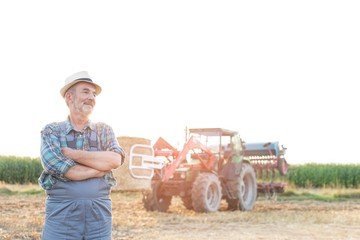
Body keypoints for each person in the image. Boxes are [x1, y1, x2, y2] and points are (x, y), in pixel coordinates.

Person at [38, 71, 125, 240]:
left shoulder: (104, 130)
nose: (91, 97)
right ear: (69, 98)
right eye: (85, 91)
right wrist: (100, 168)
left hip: (98, 216)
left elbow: (115, 159)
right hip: (62, 216)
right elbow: (64, 169)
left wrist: (73, 154)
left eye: (94, 94)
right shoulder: (51, 131)